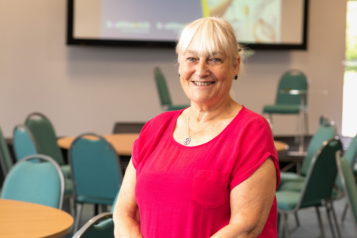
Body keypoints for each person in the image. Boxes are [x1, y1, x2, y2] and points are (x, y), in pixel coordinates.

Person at [113, 17, 280, 238]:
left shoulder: (250, 131)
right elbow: (124, 213)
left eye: (215, 59)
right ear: (180, 65)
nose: (201, 71)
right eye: (191, 58)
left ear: (235, 65)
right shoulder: (155, 128)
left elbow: (245, 227)